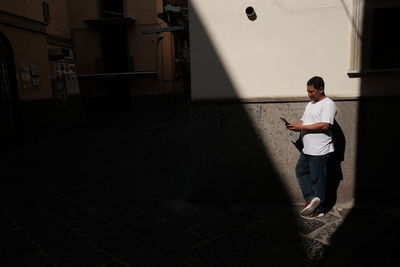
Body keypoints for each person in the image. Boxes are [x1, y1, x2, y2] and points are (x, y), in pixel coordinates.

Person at [287, 76, 337, 219]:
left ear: (321, 89)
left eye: (312, 92)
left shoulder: (328, 104)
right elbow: (304, 120)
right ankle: (311, 201)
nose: (309, 95)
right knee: (300, 171)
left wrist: (302, 127)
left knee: (318, 179)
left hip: (319, 150)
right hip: (307, 148)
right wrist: (296, 126)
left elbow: (325, 125)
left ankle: (319, 209)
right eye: (308, 91)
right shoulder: (310, 104)